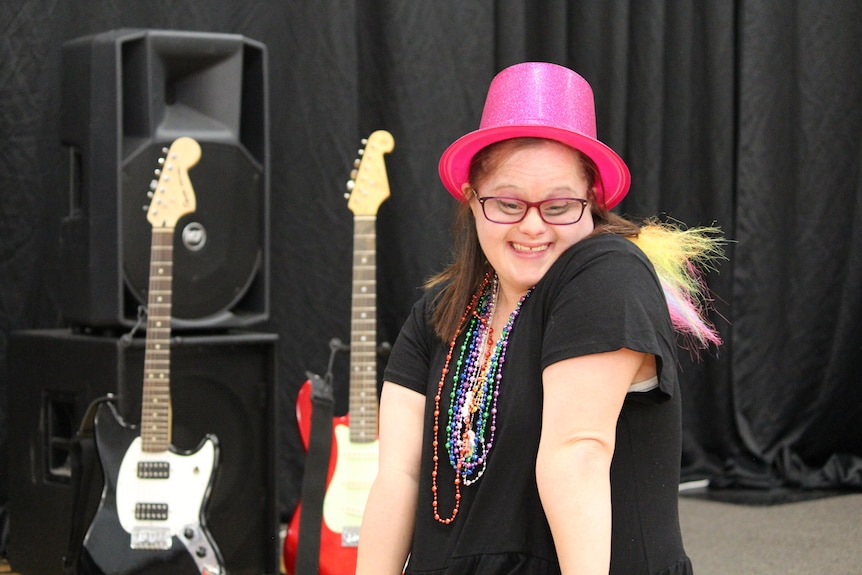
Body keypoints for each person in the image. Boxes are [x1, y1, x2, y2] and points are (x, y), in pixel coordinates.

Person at [356, 62, 723, 575]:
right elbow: (399, 476)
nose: (532, 226)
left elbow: (578, 451)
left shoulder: (607, 273)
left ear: (592, 201)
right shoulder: (437, 313)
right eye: (508, 203)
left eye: (558, 205)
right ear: (472, 201)